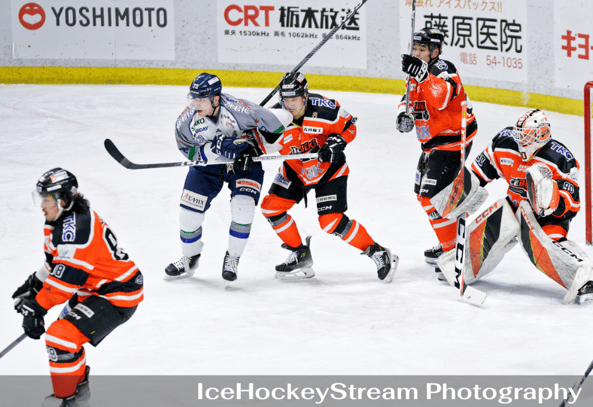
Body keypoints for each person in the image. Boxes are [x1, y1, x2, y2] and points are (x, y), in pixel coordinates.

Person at [435, 108, 593, 304]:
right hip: (514, 207)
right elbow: (478, 172)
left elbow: (572, 204)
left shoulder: (560, 159)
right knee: (496, 221)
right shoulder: (505, 143)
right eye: (519, 135)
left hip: (547, 218)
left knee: (544, 246)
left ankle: (590, 278)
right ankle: (459, 265)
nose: (520, 142)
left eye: (526, 137)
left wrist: (551, 200)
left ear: (542, 134)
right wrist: (461, 191)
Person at [12, 168, 144, 407]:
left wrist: (37, 307)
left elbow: (65, 283)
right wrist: (35, 284)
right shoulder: (63, 219)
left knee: (60, 337)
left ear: (62, 200)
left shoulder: (76, 231)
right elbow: (56, 263)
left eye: (46, 199)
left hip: (117, 293)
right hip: (94, 289)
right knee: (65, 338)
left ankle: (66, 399)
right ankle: (78, 394)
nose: (42, 206)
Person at [260, 72, 398, 282]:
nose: (290, 106)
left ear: (305, 97)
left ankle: (377, 251)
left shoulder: (325, 110)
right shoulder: (274, 118)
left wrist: (338, 142)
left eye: (294, 100)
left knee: (330, 221)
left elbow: (350, 127)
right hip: (295, 171)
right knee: (271, 207)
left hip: (329, 171)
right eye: (286, 100)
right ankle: (300, 254)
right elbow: (256, 142)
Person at [166, 73, 292, 282]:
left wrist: (251, 144)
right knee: (188, 215)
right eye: (194, 98)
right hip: (208, 167)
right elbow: (187, 149)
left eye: (202, 99)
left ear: (216, 99)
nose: (196, 104)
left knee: (243, 209)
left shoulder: (240, 110)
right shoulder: (186, 121)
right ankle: (189, 258)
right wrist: (213, 149)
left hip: (244, 164)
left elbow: (278, 126)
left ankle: (233, 258)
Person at [396, 27, 478, 264]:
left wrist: (423, 76)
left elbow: (440, 98)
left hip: (452, 142)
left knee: (431, 198)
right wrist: (403, 114)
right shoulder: (415, 74)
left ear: (435, 51)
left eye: (422, 49)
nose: (417, 53)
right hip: (431, 144)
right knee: (423, 196)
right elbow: (408, 99)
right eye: (415, 48)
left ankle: (452, 250)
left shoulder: (444, 69)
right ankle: (449, 243)